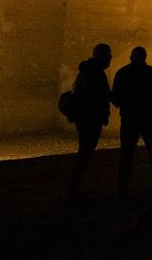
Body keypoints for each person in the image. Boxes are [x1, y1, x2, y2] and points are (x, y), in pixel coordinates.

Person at [109, 46, 152, 198]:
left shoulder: (123, 73)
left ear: (131, 58)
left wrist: (127, 102)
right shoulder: (151, 72)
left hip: (129, 119)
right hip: (148, 118)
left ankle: (123, 189)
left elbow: (115, 97)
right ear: (145, 57)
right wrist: (147, 99)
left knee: (127, 155)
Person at [66, 42, 112, 200]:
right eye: (109, 56)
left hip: (85, 118)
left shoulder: (87, 71)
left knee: (84, 153)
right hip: (90, 119)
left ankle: (74, 189)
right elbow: (97, 97)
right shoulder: (96, 73)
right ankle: (73, 190)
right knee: (84, 154)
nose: (110, 59)